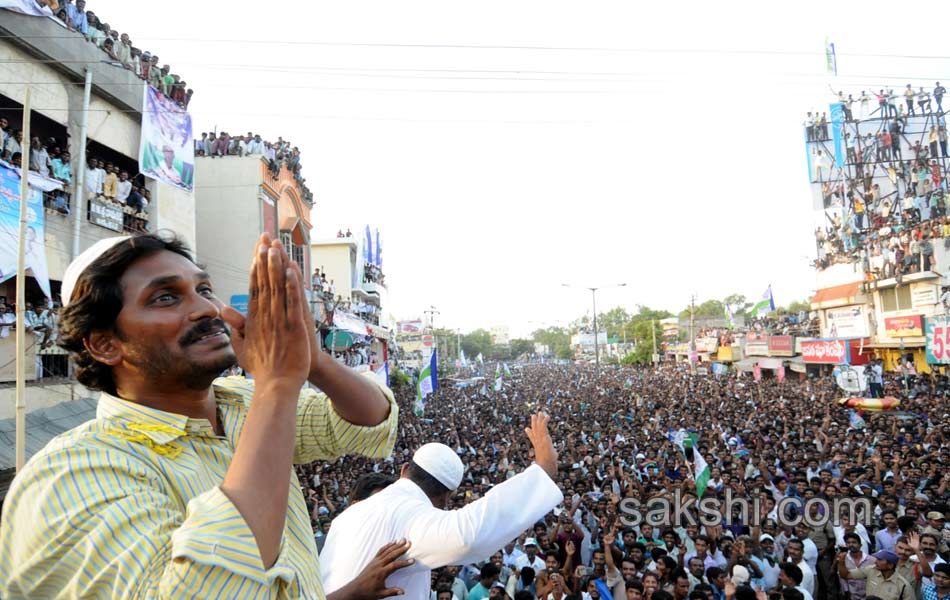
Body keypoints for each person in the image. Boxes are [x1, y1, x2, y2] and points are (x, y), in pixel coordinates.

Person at [0, 232, 409, 599]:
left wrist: (311, 360)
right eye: (165, 298)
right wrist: (277, 385)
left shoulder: (240, 403)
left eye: (204, 289)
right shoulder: (73, 474)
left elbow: (370, 422)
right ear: (106, 345)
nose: (207, 309)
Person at [320, 413, 563, 599]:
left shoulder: (347, 516)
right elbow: (469, 536)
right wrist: (541, 472)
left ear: (405, 469)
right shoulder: (412, 516)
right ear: (446, 498)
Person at [837, 550, 914, 600]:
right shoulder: (871, 570)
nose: (875, 562)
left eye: (880, 560)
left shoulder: (903, 585)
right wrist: (841, 561)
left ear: (890, 565)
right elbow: (846, 575)